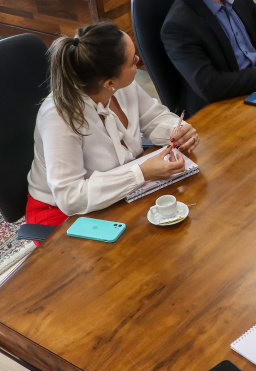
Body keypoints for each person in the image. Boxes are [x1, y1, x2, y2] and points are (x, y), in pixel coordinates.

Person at [26, 22, 199, 227]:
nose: (138, 59)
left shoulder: (120, 85)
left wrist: (176, 131)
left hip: (119, 192)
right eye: (132, 61)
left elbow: (154, 118)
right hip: (59, 213)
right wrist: (141, 173)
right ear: (109, 83)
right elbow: (70, 197)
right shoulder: (59, 117)